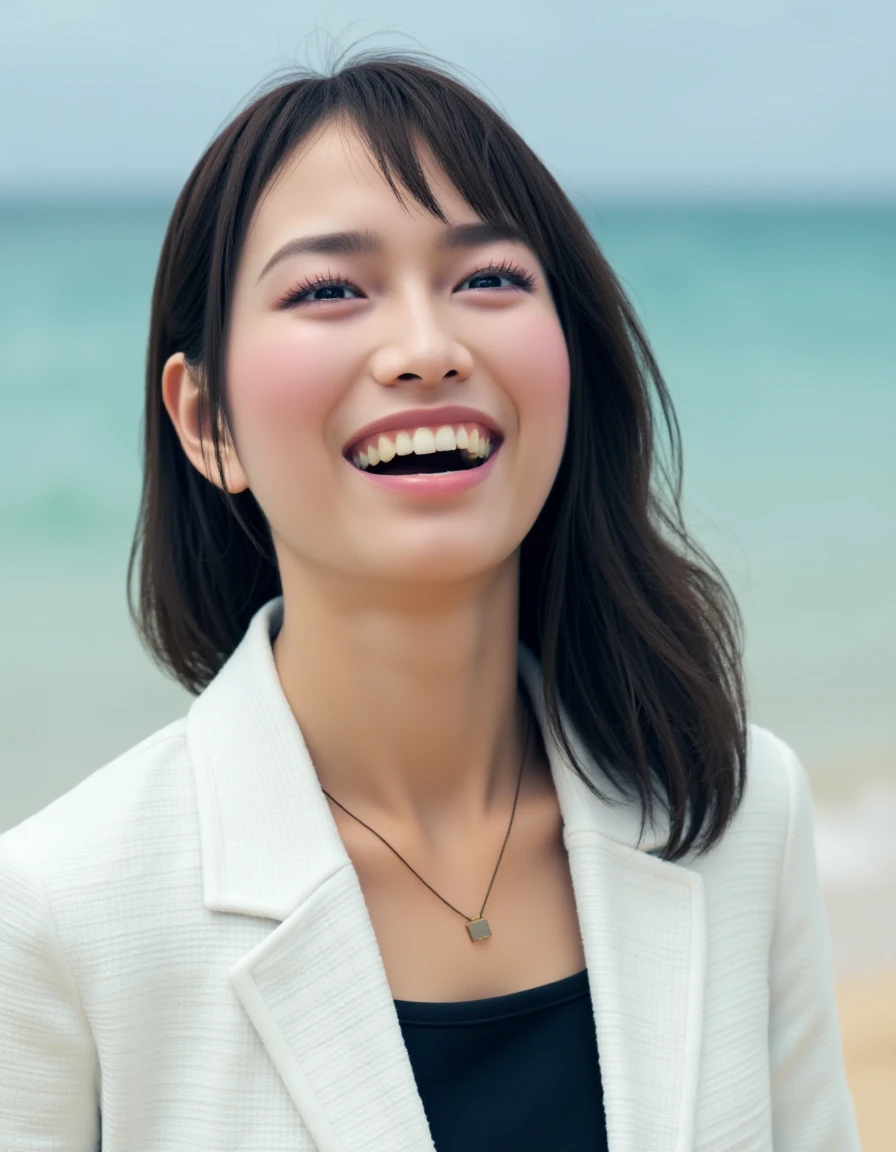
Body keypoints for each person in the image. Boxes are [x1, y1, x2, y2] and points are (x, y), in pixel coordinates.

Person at [0, 50, 861, 1151]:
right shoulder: (60, 911)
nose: (422, 349)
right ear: (206, 419)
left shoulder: (738, 812)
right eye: (328, 291)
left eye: (486, 278)